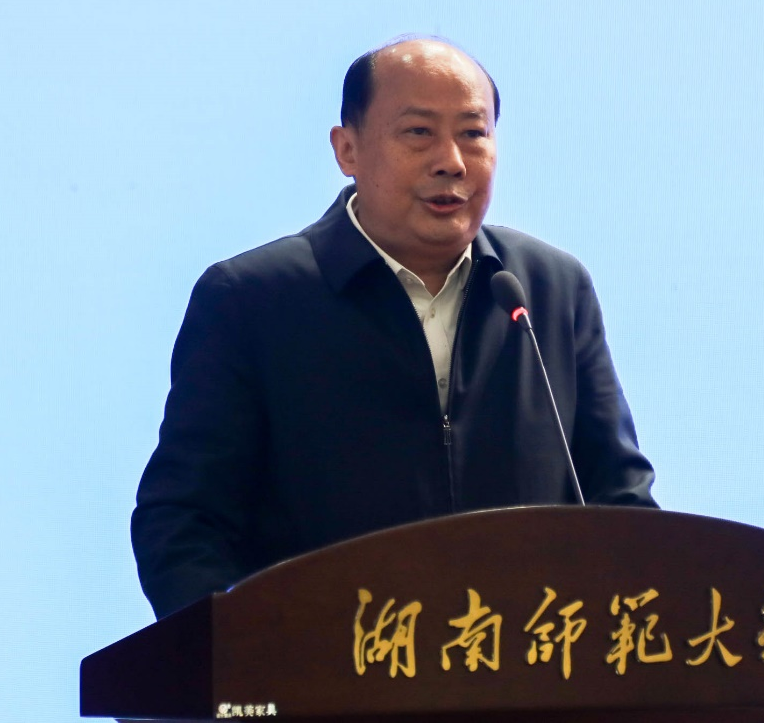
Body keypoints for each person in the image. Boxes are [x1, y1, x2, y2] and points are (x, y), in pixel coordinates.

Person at [132, 37, 656, 619]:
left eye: (473, 133)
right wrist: (245, 649)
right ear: (347, 149)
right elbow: (183, 522)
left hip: (529, 660)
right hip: (329, 661)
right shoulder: (252, 299)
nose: (451, 161)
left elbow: (621, 501)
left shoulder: (548, 290)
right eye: (419, 132)